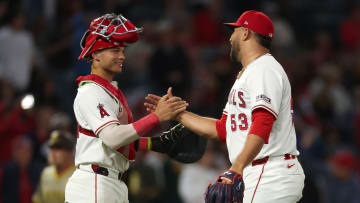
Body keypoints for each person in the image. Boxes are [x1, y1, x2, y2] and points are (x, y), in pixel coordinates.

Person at [145, 10, 305, 202]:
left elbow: (263, 121)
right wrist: (178, 115)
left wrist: (235, 167)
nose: (230, 38)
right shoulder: (249, 73)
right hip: (260, 171)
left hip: (269, 171)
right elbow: (223, 129)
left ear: (246, 33)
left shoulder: (264, 68)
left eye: (234, 31)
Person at [64, 13, 188, 203]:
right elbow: (113, 137)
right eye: (115, 50)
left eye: (122, 50)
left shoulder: (107, 91)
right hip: (95, 184)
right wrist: (156, 117)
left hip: (110, 182)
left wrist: (154, 143)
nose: (122, 56)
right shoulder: (91, 91)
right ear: (96, 54)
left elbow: (109, 141)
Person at [33, 130, 76, 203]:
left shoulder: (78, 174)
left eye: (58, 148)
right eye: (51, 148)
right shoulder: (46, 173)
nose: (53, 152)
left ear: (70, 152)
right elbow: (38, 200)